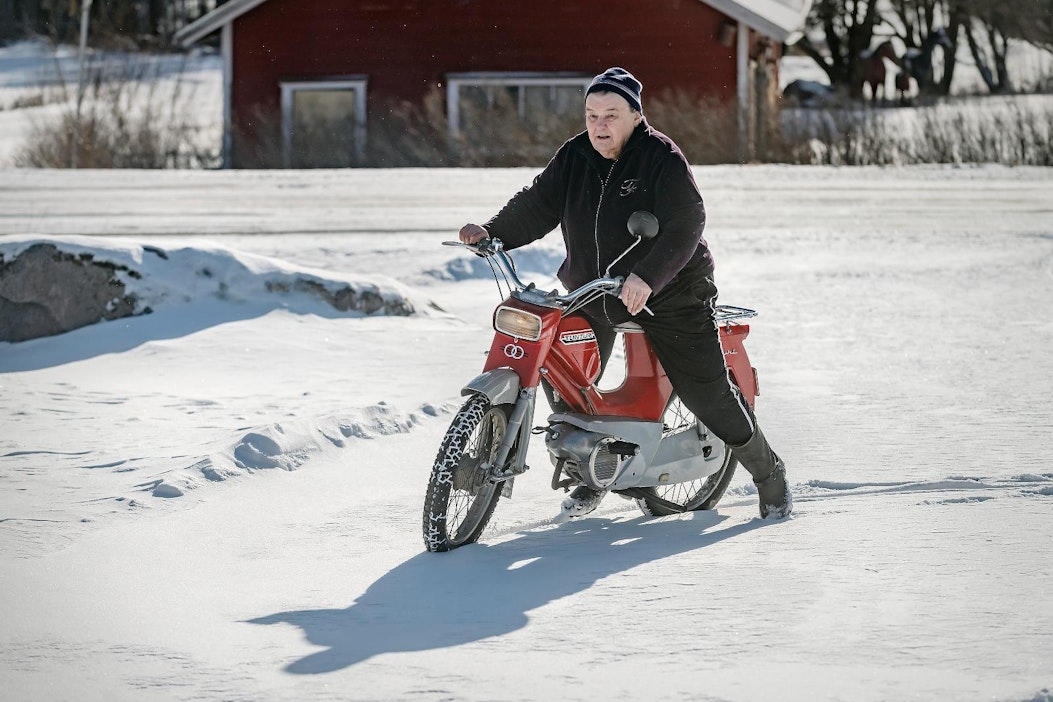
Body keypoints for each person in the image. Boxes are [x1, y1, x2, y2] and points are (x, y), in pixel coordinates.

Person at [459, 67, 792, 520]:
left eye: (611, 115)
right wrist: (493, 232)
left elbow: (687, 222)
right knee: (564, 370)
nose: (599, 125)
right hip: (594, 289)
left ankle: (769, 474)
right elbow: (538, 204)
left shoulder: (660, 157)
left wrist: (648, 277)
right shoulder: (575, 155)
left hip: (670, 289)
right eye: (591, 115)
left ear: (636, 115)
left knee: (706, 393)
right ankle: (591, 470)